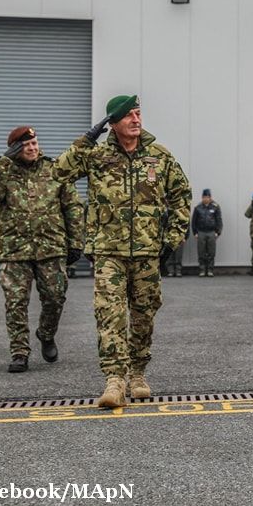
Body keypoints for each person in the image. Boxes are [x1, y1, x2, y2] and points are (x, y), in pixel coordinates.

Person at [53, 95, 191, 408]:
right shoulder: (96, 155)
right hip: (107, 251)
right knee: (109, 315)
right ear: (113, 124)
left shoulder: (158, 156)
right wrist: (86, 139)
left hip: (147, 253)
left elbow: (182, 196)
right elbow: (58, 173)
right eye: (128, 116)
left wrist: (172, 239)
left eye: (139, 114)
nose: (136, 120)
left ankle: (138, 374)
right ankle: (114, 380)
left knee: (143, 316)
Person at [0, 126, 84, 373]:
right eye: (26, 145)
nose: (33, 148)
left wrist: (76, 242)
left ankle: (46, 334)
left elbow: (73, 206)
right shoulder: (4, 172)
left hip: (51, 247)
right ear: (16, 148)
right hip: (15, 250)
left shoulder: (54, 169)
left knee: (55, 297)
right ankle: (19, 351)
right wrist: (5, 160)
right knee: (15, 302)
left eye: (34, 143)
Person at [192, 188, 223, 277]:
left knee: (211, 252)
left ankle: (210, 270)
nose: (205, 199)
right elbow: (194, 221)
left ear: (210, 197)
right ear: (202, 198)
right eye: (204, 197)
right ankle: (202, 270)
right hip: (201, 232)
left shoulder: (215, 207)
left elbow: (219, 220)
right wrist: (195, 233)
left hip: (211, 232)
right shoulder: (198, 208)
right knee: (201, 252)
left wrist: (218, 232)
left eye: (207, 197)